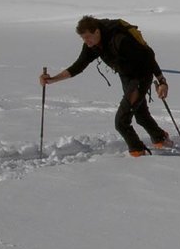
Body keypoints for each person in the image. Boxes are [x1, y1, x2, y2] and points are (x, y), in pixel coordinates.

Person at [39, 15, 172, 157]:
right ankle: (161, 138)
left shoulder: (120, 40)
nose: (86, 42)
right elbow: (78, 66)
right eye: (83, 39)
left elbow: (148, 56)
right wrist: (52, 80)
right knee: (140, 114)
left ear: (97, 32)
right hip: (126, 76)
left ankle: (138, 152)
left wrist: (162, 81)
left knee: (121, 122)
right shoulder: (92, 45)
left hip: (141, 76)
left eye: (88, 37)